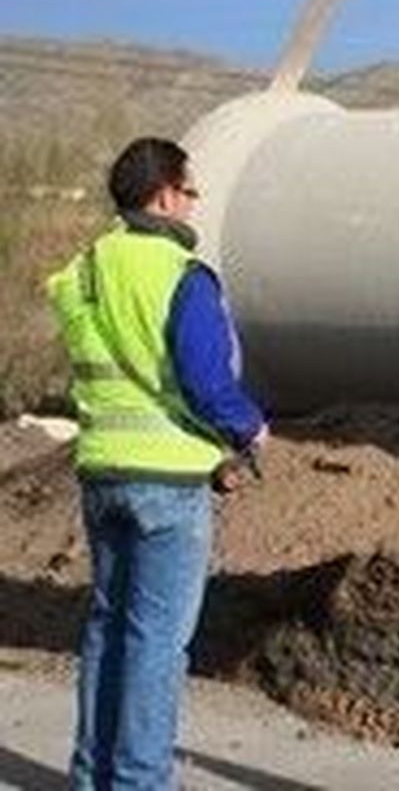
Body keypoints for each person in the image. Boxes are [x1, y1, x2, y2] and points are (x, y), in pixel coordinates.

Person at [47, 137, 267, 791]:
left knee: (107, 630)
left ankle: (92, 777)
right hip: (168, 487)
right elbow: (205, 382)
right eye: (192, 191)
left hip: (101, 475)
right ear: (167, 192)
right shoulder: (180, 275)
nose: (194, 204)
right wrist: (250, 426)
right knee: (155, 644)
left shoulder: (83, 268)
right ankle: (139, 782)